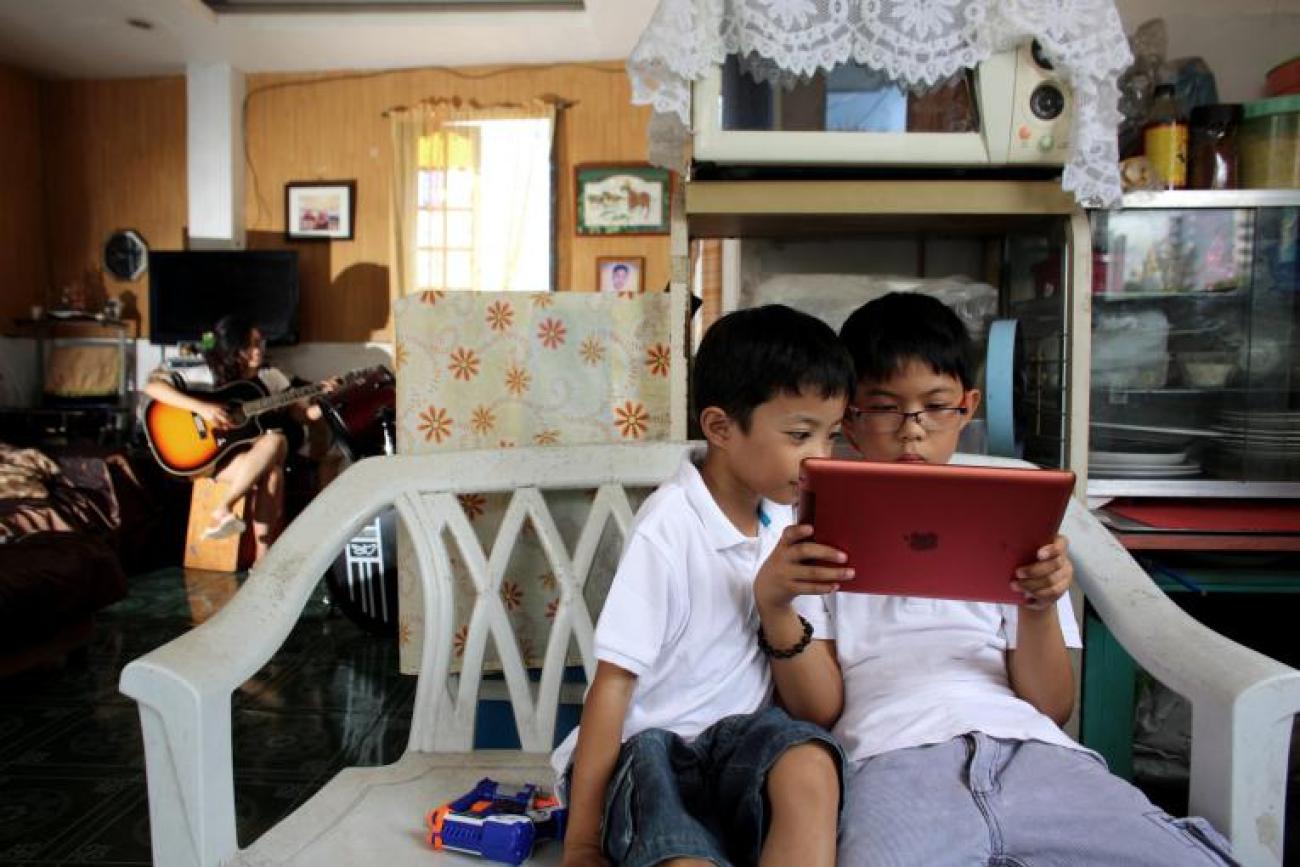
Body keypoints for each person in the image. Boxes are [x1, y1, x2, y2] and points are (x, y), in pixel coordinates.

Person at [801, 292, 1234, 866]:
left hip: (1032, 749)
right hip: (892, 756)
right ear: (848, 419)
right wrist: (784, 607)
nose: (913, 432)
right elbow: (819, 711)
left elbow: (1051, 704)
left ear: (969, 406)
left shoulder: (1008, 521)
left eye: (936, 406)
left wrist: (1036, 605)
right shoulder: (820, 530)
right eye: (884, 408)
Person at [554, 304, 857, 867]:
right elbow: (613, 685)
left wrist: (779, 604)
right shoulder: (668, 527)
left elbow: (817, 709)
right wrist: (581, 841)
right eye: (799, 435)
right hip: (651, 754)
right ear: (720, 427)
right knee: (680, 849)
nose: (820, 457)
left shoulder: (792, 523)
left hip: (743, 748)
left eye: (831, 436)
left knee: (811, 763)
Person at [143, 314, 335, 560]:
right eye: (250, 346)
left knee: (275, 452)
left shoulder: (271, 378)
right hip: (210, 457)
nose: (258, 351)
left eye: (260, 344)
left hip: (250, 457)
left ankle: (258, 553)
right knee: (276, 450)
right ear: (232, 349)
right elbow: (152, 388)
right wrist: (202, 408)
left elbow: (305, 414)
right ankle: (232, 518)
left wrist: (327, 400)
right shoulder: (204, 373)